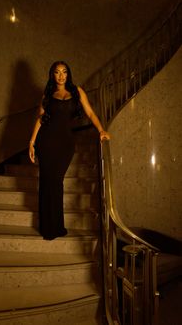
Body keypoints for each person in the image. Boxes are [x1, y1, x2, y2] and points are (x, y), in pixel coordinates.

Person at [29, 61, 110, 240]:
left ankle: (56, 225)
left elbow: (90, 113)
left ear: (68, 74)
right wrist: (32, 141)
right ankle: (49, 228)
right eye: (57, 72)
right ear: (52, 75)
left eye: (64, 72)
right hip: (46, 142)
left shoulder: (77, 91)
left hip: (65, 144)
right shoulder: (48, 93)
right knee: (48, 182)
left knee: (56, 181)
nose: (61, 76)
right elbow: (41, 118)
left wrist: (101, 130)